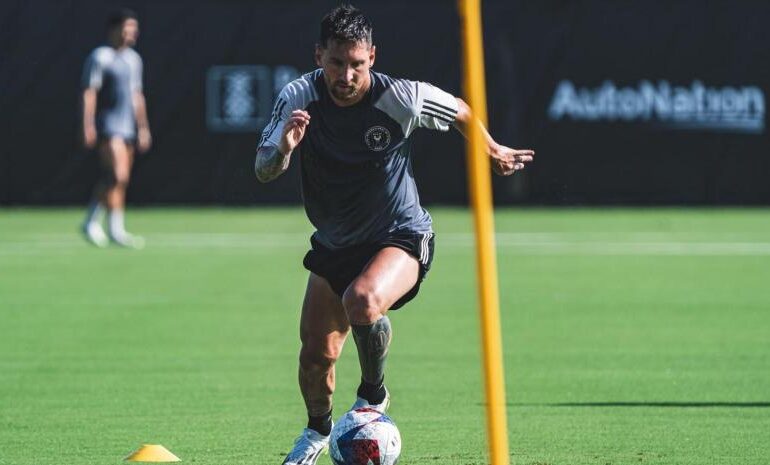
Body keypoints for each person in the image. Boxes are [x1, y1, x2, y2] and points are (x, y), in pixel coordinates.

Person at [254, 5, 534, 464]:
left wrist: (492, 150)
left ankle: (373, 395)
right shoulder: (298, 96)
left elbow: (461, 110)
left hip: (399, 235)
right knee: (315, 358)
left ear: (372, 57)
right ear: (319, 56)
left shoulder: (400, 97)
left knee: (363, 299)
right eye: (336, 63)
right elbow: (263, 169)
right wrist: (284, 150)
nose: (346, 75)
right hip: (334, 243)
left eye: (356, 64)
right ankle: (317, 432)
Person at [80, 8, 151, 249]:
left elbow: (137, 95)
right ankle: (93, 222)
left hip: (128, 126)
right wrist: (88, 124)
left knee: (119, 180)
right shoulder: (100, 57)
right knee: (117, 175)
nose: (131, 33)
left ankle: (113, 229)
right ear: (114, 29)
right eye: (127, 28)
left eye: (134, 29)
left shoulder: (134, 60)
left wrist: (143, 127)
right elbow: (89, 92)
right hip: (107, 125)